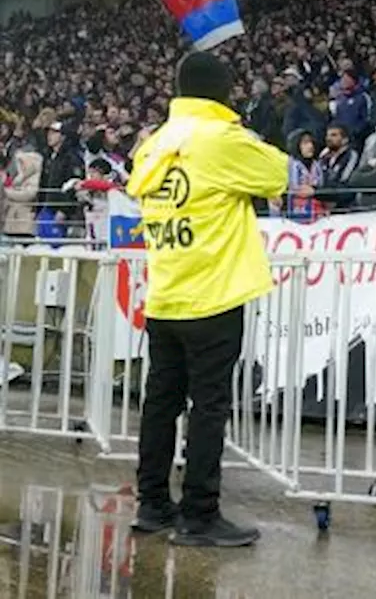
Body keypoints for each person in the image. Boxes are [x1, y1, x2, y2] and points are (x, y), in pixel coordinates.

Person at [129, 51, 288, 547]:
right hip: (213, 295)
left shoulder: (154, 145)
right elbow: (278, 173)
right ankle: (200, 513)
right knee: (208, 407)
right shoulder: (222, 139)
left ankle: (152, 504)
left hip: (165, 293)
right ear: (222, 92)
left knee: (160, 403)